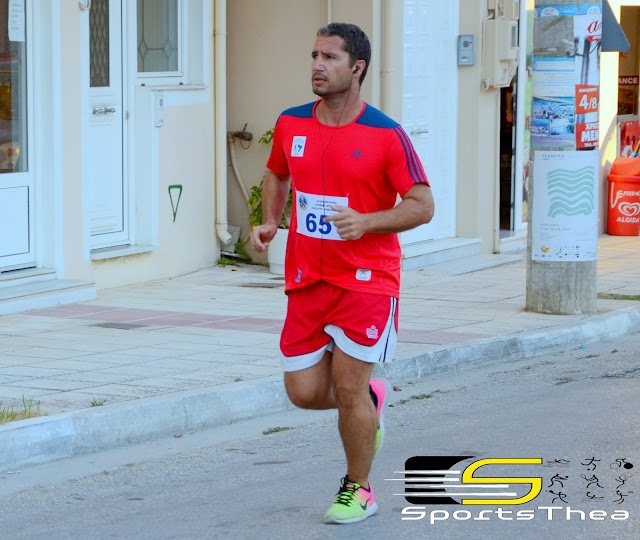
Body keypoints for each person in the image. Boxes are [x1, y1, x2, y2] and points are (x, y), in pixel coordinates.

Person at [251, 22, 434, 524]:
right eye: (315, 55)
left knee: (348, 387)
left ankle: (360, 489)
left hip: (367, 280)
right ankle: (370, 404)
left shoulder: (386, 134)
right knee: (304, 392)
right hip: (307, 279)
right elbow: (277, 172)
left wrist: (367, 222)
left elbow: (422, 204)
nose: (317, 65)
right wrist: (270, 221)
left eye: (330, 58)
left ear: (357, 68)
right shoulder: (291, 123)